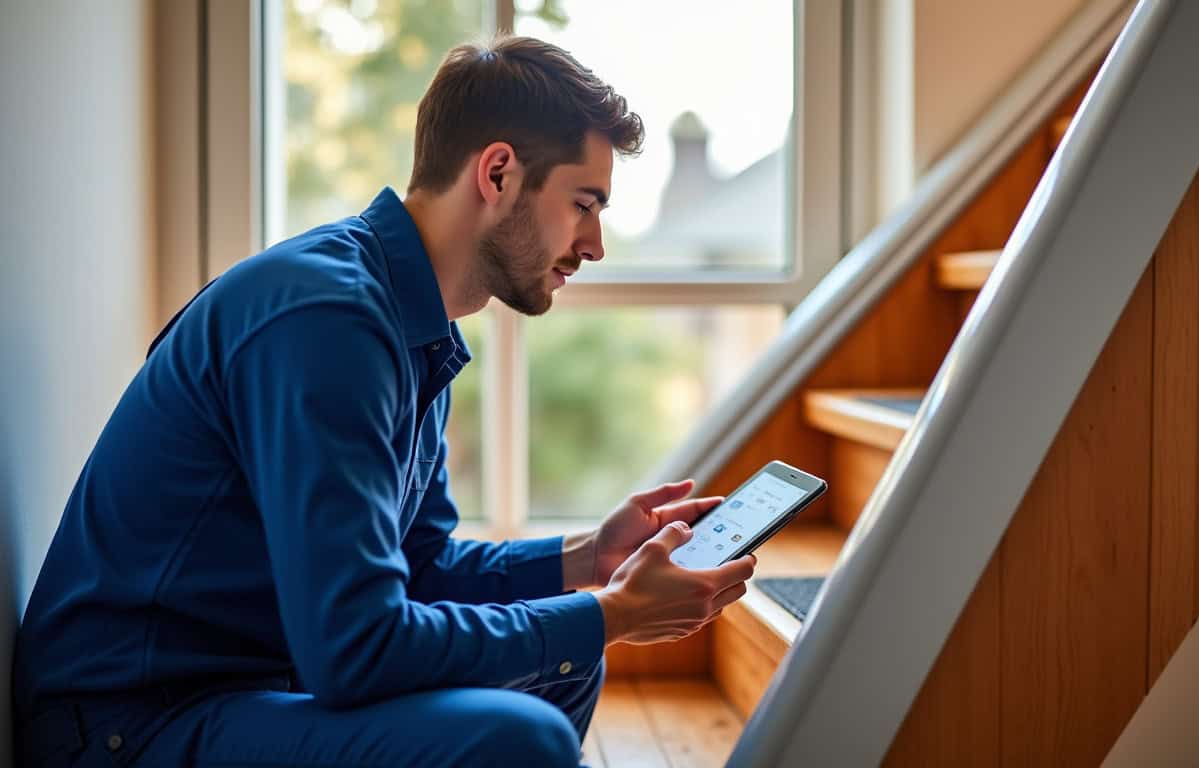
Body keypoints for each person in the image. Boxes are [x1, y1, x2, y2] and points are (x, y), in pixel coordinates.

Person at [14, 35, 756, 767]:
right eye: (583, 204)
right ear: (498, 173)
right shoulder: (326, 321)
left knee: (556, 665)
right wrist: (613, 613)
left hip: (241, 687)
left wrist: (589, 558)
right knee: (525, 724)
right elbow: (356, 650)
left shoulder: (405, 325)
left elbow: (420, 568)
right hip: (130, 725)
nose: (595, 244)